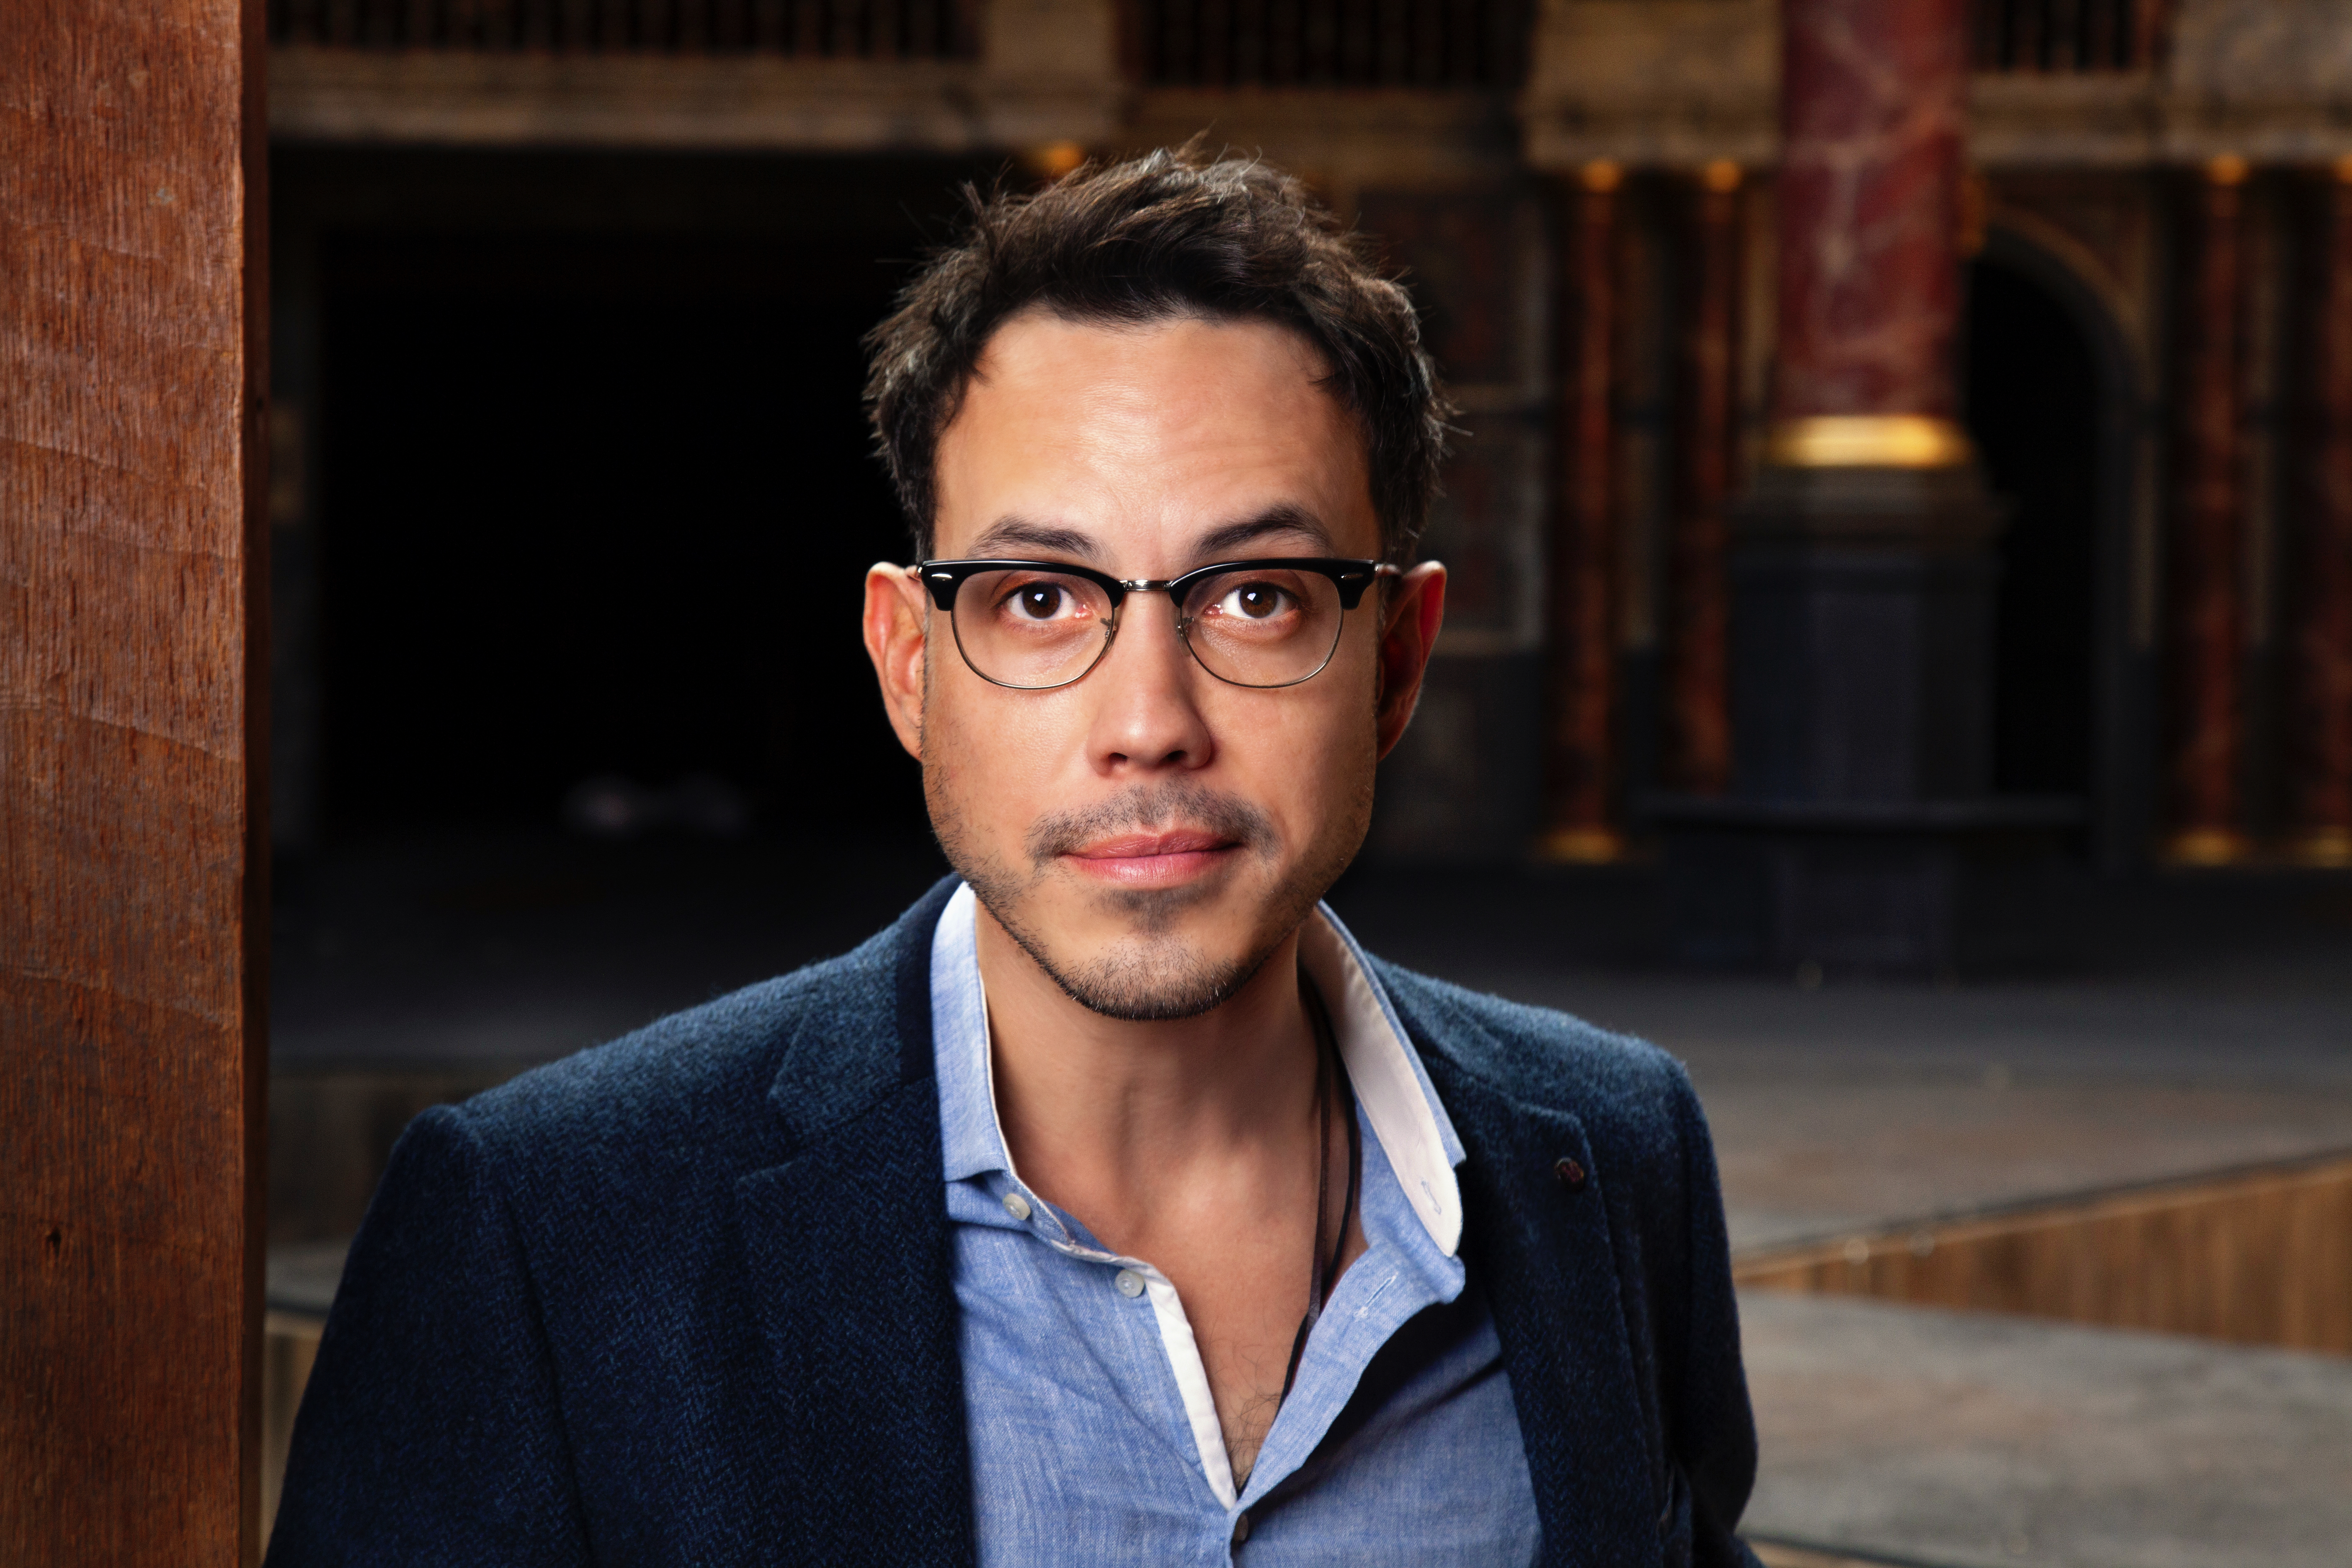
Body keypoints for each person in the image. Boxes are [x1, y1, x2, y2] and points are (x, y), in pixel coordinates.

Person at [269, 147, 1761, 1568]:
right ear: (911, 666)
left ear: (1396, 660)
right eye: (1041, 598)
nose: (1149, 726)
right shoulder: (543, 1237)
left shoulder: (1615, 1159)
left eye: (1256, 598)